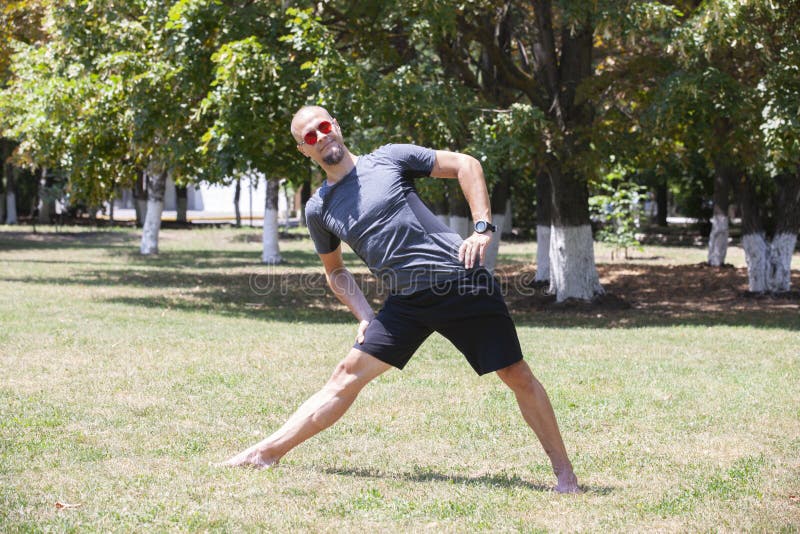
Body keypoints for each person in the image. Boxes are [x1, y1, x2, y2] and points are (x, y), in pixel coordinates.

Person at [221, 105, 580, 493]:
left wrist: (481, 229)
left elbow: (466, 164)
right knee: (345, 375)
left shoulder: (388, 159)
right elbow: (335, 271)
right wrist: (363, 315)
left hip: (457, 280)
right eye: (309, 136)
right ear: (304, 150)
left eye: (323, 127)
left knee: (516, 375)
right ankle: (266, 453)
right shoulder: (318, 208)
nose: (320, 136)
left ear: (336, 126)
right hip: (406, 302)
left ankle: (565, 475)